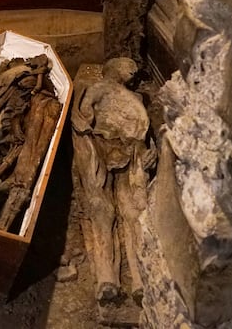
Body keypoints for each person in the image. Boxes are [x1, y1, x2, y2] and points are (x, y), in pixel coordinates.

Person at [71, 57, 155, 303]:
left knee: (133, 211)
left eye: (133, 66)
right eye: (125, 64)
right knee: (101, 209)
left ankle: (141, 279)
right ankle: (107, 277)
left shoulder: (137, 99)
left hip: (131, 153)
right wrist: (98, 143)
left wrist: (150, 151)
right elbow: (83, 120)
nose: (132, 69)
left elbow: (143, 133)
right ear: (111, 69)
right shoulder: (96, 88)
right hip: (99, 149)